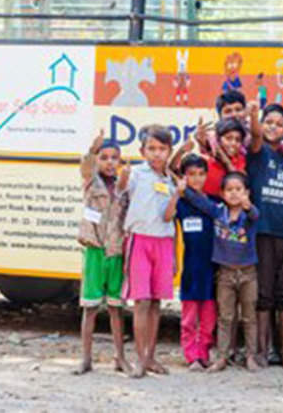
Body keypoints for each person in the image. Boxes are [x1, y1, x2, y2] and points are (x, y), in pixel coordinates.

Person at [175, 171, 261, 373]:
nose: (234, 194)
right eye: (229, 190)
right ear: (222, 193)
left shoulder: (248, 214)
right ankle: (222, 357)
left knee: (249, 317)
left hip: (248, 273)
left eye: (238, 189)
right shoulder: (217, 211)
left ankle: (250, 356)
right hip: (224, 274)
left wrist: (248, 205)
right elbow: (199, 202)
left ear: (246, 192)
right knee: (225, 317)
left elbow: (255, 215)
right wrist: (183, 189)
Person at [247, 102, 283, 368]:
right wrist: (252, 115)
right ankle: (262, 350)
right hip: (262, 233)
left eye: (279, 124)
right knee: (264, 295)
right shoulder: (257, 153)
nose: (273, 127)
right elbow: (256, 135)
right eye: (269, 122)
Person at [117, 124, 176, 378]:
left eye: (162, 149)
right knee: (140, 301)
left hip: (164, 243)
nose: (156, 154)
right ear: (142, 150)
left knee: (156, 303)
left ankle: (151, 356)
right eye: (151, 149)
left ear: (169, 151)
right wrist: (123, 176)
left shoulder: (171, 179)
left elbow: (168, 215)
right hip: (139, 241)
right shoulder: (135, 175)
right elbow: (120, 189)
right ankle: (139, 358)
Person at [75, 130, 128, 375]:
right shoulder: (91, 182)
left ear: (120, 161)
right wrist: (91, 150)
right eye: (103, 157)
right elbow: (85, 166)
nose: (109, 162)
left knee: (117, 308)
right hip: (95, 251)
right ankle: (86, 359)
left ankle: (120, 357)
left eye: (113, 158)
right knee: (90, 308)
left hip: (116, 251)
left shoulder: (123, 187)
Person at [165, 154, 218, 371]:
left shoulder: (214, 203)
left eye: (201, 174)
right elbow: (171, 226)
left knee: (208, 316)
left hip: (212, 266)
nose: (197, 179)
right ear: (184, 177)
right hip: (191, 266)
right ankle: (190, 354)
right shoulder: (184, 205)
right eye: (191, 174)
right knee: (188, 316)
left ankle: (204, 352)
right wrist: (173, 259)